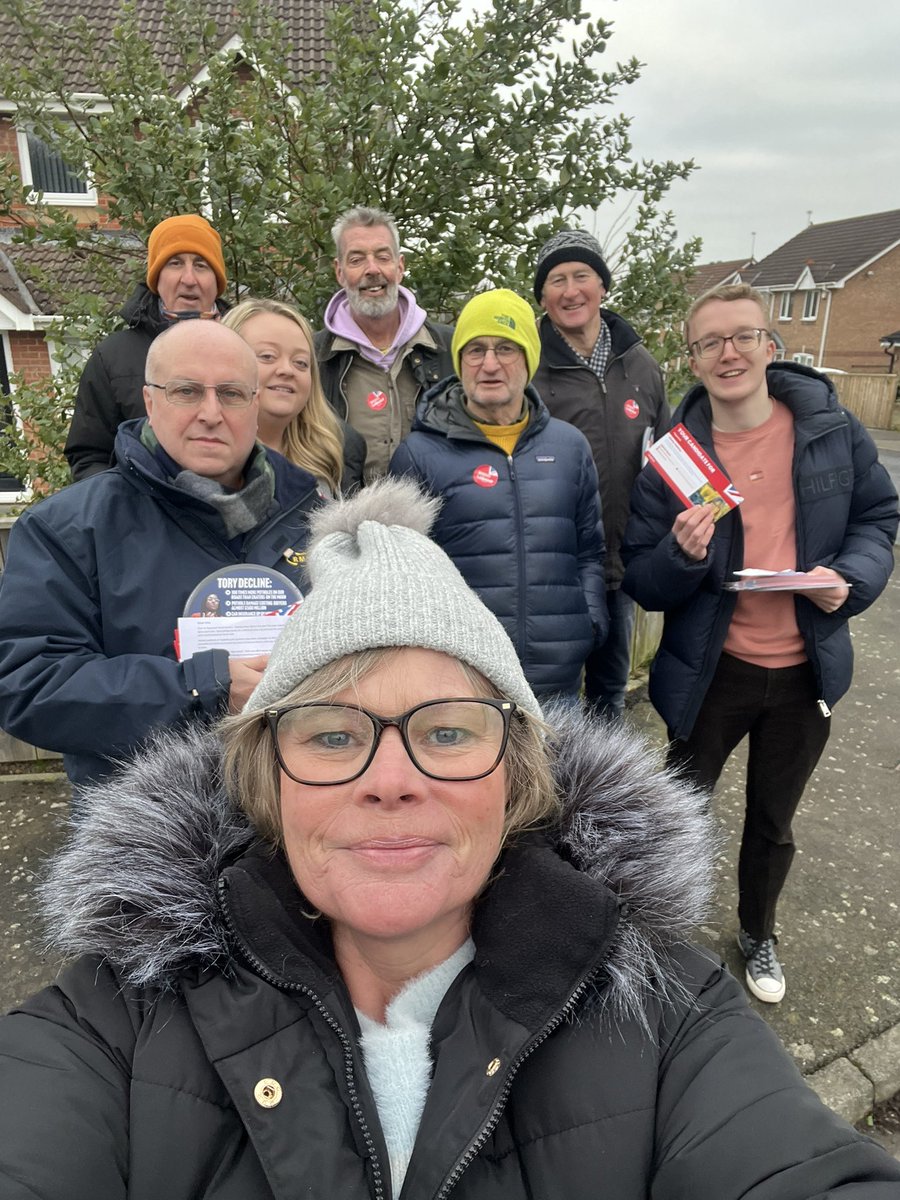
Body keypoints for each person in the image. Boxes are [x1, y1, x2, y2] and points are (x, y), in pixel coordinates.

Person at [2, 477, 899, 1199]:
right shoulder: (116, 1020)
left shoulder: (666, 1018)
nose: (392, 779)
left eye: (446, 730)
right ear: (266, 778)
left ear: (518, 775)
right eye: (332, 735)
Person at [622, 283, 899, 1004]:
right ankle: (657, 933)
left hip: (807, 672)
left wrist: (850, 578)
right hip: (712, 671)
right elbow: (644, 579)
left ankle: (757, 931)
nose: (729, 353)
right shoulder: (676, 458)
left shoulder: (830, 430)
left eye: (743, 336)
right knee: (679, 814)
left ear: (770, 346)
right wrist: (681, 555)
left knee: (773, 822)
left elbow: (878, 517)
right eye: (710, 342)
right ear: (693, 359)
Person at [0, 321, 321, 791]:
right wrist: (200, 688)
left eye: (231, 394)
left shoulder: (316, 520)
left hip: (301, 802)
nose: (211, 413)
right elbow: (28, 684)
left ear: (255, 406)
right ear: (150, 401)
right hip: (153, 820)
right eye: (186, 391)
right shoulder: (68, 529)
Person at [389, 288, 606, 702]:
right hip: (463, 679)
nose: (490, 364)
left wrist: (589, 621)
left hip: (557, 680)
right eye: (476, 350)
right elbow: (402, 576)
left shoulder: (570, 447)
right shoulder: (418, 454)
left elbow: (589, 553)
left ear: (529, 359)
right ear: (460, 362)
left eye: (506, 348)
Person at [532, 227, 671, 718]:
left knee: (610, 690)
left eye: (582, 276)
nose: (571, 291)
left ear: (603, 286)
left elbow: (667, 455)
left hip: (620, 562)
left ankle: (605, 771)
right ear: (543, 298)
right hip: (555, 564)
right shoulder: (530, 368)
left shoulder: (641, 365)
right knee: (550, 695)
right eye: (557, 281)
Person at [64, 213, 230, 481]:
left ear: (217, 281)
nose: (189, 279)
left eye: (201, 265)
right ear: (156, 277)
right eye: (175, 263)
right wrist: (125, 502)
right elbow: (90, 456)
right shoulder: (114, 357)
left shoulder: (248, 348)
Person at [316, 205, 454, 482]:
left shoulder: (449, 348)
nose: (372, 270)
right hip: (342, 508)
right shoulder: (314, 356)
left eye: (382, 257)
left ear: (400, 267)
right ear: (339, 272)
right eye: (357, 260)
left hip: (438, 508)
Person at [223, 297, 366, 494]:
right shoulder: (201, 463)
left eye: (300, 362)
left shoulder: (334, 455)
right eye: (267, 356)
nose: (287, 370)